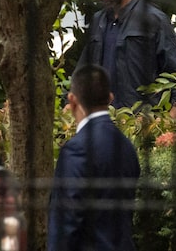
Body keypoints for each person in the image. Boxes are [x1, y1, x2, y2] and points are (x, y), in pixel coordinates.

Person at [76, 0, 176, 118]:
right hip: (102, 122)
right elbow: (82, 73)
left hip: (143, 124)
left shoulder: (153, 19)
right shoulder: (98, 22)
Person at [48, 65, 141, 251]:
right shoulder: (126, 146)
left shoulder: (76, 149)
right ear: (110, 98)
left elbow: (66, 224)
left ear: (72, 101)